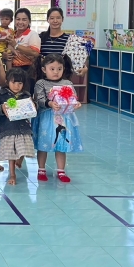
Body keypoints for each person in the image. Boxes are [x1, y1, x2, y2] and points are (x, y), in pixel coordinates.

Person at [33, 54, 83, 183]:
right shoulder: (41, 83)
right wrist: (49, 103)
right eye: (52, 69)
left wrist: (76, 104)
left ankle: (61, 171)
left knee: (61, 144)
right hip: (46, 118)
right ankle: (41, 169)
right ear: (44, 69)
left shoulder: (67, 83)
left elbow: (73, 98)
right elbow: (39, 99)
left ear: (63, 69)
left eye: (59, 69)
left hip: (63, 118)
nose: (56, 72)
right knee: (43, 144)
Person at [0, 68, 35, 185]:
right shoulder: (2, 94)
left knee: (24, 149)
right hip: (8, 129)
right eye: (13, 82)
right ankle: (12, 174)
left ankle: (19, 160)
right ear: (7, 82)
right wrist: (1, 108)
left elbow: (33, 108)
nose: (16, 86)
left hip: (24, 128)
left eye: (20, 83)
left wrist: (33, 105)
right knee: (11, 153)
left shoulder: (26, 95)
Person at [39, 7, 88, 77]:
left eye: (58, 18)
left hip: (63, 77)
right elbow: (35, 56)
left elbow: (76, 57)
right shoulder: (40, 37)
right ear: (48, 20)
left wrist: (84, 67)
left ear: (62, 19)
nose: (55, 21)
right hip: (43, 77)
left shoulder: (70, 39)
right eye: (52, 18)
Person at [5, 8, 41, 90]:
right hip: (12, 71)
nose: (20, 22)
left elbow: (35, 53)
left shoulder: (32, 34)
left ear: (29, 21)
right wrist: (5, 55)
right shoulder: (12, 35)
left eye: (24, 20)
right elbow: (8, 52)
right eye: (18, 19)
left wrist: (16, 45)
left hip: (27, 71)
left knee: (25, 95)